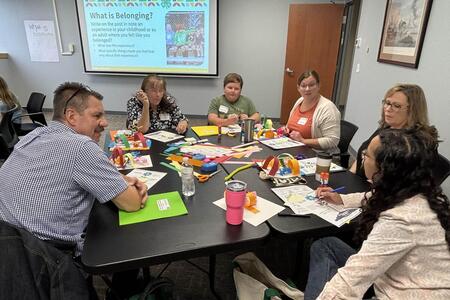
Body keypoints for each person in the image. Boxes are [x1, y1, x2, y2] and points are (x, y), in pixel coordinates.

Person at [0, 82, 148, 297]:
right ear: (71, 116)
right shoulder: (81, 147)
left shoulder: (32, 136)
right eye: (97, 116)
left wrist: (117, 179)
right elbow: (132, 203)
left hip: (8, 246)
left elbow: (61, 171)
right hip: (47, 263)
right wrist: (129, 188)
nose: (105, 122)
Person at [304, 127, 450, 299]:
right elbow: (372, 195)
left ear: (383, 169)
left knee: (343, 280)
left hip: (401, 293)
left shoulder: (402, 220)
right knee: (326, 245)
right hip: (398, 274)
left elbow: (352, 278)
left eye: (367, 155)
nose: (362, 155)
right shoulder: (413, 189)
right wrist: (341, 199)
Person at [350, 83, 430, 180]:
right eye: (387, 103)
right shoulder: (387, 128)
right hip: (359, 182)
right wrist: (349, 177)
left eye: (396, 106)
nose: (388, 109)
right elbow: (362, 155)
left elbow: (392, 183)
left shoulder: (413, 143)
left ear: (412, 111)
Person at [286, 70, 340, 153]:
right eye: (303, 86)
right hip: (293, 147)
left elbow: (332, 140)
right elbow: (290, 125)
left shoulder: (328, 108)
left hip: (314, 153)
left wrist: (303, 141)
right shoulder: (300, 101)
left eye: (311, 85)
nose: (307, 89)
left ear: (318, 86)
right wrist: (286, 130)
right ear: (298, 88)